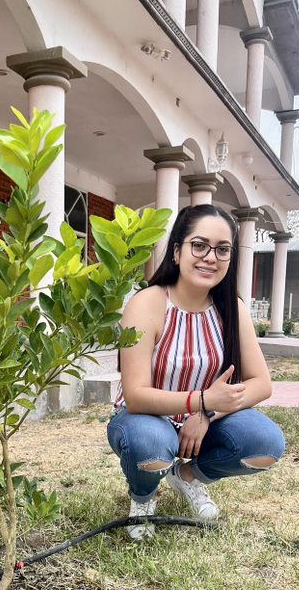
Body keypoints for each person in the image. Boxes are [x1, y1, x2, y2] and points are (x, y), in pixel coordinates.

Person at [107, 203, 285, 539]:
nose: (210, 257)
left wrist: (206, 412)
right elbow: (136, 395)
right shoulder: (148, 302)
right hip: (144, 418)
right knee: (148, 443)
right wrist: (200, 400)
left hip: (202, 418)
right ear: (177, 251)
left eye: (222, 249)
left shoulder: (232, 308)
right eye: (199, 245)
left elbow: (261, 384)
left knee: (265, 443)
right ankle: (143, 497)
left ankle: (186, 476)